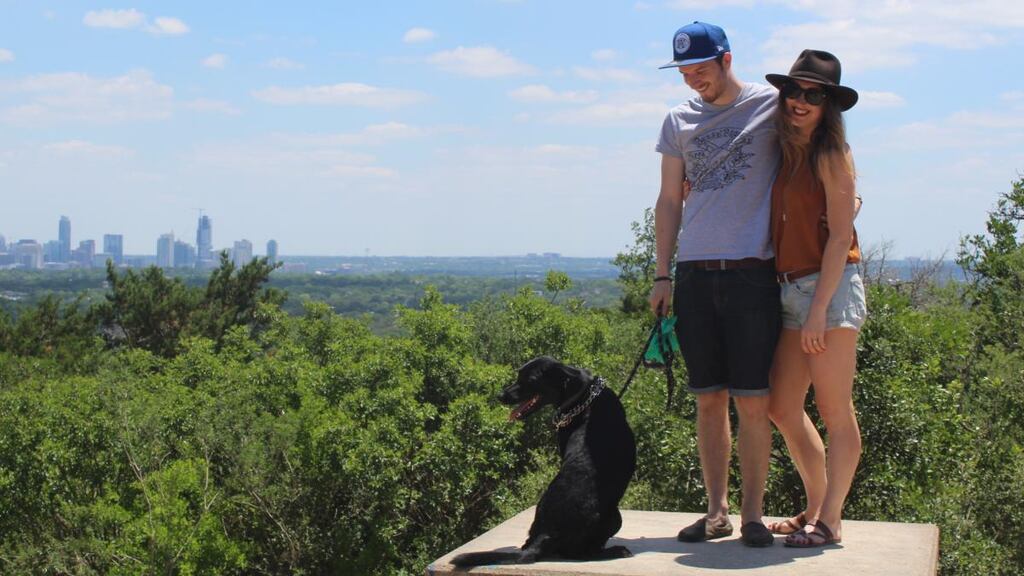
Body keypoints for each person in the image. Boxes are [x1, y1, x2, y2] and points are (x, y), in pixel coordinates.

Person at [650, 21, 781, 548]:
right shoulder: (677, 119)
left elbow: (817, 150)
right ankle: (715, 512)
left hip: (753, 271)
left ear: (727, 59)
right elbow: (667, 200)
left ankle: (752, 515)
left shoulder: (771, 103)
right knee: (708, 399)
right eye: (684, 71)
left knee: (753, 401)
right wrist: (662, 274)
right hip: (694, 274)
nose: (691, 80)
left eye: (700, 69)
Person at [762, 49, 866, 547]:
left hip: (829, 289)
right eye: (794, 91)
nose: (800, 101)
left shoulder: (831, 155)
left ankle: (830, 520)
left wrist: (820, 310)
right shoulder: (784, 153)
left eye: (813, 94)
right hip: (787, 291)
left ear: (829, 105)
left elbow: (839, 236)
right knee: (781, 407)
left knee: (835, 411)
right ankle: (815, 505)